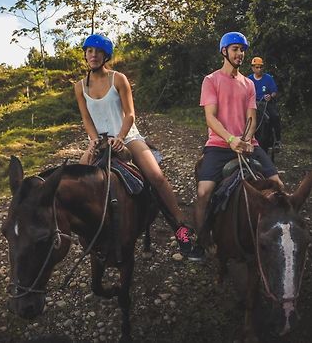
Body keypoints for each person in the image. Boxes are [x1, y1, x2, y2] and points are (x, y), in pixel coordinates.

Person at [75, 33, 197, 258]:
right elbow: (86, 118)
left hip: (127, 136)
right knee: (77, 181)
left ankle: (181, 226)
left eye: (97, 51)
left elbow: (130, 114)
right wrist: (93, 140)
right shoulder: (79, 86)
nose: (93, 55)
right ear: (85, 54)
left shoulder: (118, 78)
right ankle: (86, 234)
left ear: (105, 56)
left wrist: (121, 137)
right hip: (100, 141)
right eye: (89, 51)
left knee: (156, 176)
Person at [193, 32, 284, 261]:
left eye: (242, 50)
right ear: (224, 51)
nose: (240, 54)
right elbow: (211, 118)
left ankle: (282, 235)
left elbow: (251, 117)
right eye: (235, 49)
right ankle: (201, 239)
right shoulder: (211, 80)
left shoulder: (248, 84)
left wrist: (245, 140)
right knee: (204, 191)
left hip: (247, 143)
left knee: (278, 185)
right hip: (219, 145)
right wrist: (231, 140)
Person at [248, 57, 281, 150]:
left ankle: (278, 140)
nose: (259, 69)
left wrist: (270, 96)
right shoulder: (249, 79)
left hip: (266, 103)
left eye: (260, 67)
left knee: (275, 116)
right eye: (257, 67)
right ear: (253, 68)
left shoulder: (268, 78)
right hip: (253, 103)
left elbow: (274, 91)